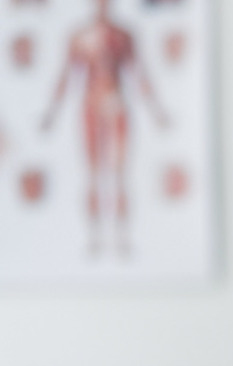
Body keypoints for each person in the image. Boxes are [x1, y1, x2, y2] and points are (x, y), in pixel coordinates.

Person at [38, 0, 169, 257]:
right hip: (91, 105)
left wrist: (156, 111)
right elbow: (66, 75)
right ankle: (94, 238)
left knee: (120, 174)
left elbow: (138, 73)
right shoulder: (78, 36)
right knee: (93, 174)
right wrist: (51, 113)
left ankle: (122, 237)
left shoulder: (124, 35)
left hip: (116, 102)